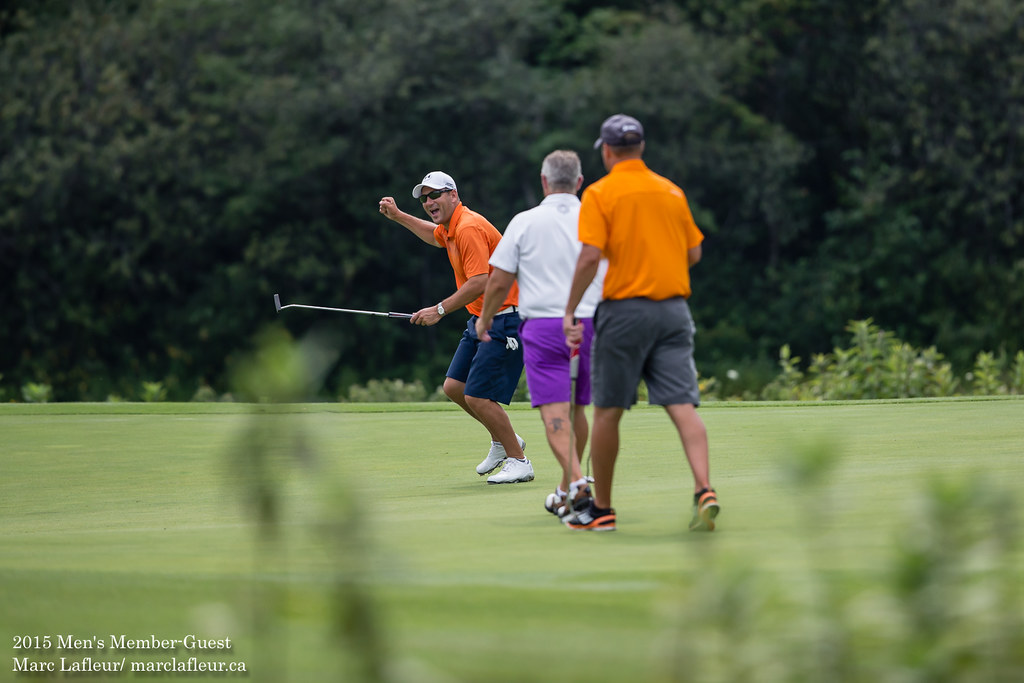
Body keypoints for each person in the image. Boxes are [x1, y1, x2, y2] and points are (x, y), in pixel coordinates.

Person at [561, 114, 721, 532]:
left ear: (607, 151)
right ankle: (704, 489)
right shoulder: (671, 191)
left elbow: (591, 257)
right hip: (673, 312)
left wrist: (570, 309)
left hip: (625, 312)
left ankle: (603, 509)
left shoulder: (600, 192)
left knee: (609, 411)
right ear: (642, 148)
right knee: (683, 405)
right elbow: (694, 254)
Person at [378, 171, 534, 484]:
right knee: (454, 387)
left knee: (477, 396)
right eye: (424, 197)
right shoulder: (450, 228)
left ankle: (520, 460)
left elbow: (481, 281)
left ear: (453, 195)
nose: (428, 202)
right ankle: (504, 442)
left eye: (434, 194)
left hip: (506, 316)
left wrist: (439, 309)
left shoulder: (468, 227)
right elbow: (431, 234)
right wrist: (398, 216)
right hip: (482, 317)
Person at [475, 150, 606, 518]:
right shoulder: (596, 218)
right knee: (578, 407)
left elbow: (499, 280)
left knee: (554, 411)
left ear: (544, 181)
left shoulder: (524, 221)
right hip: (588, 324)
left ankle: (577, 483)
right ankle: (567, 488)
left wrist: (484, 320)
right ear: (579, 182)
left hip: (544, 327)